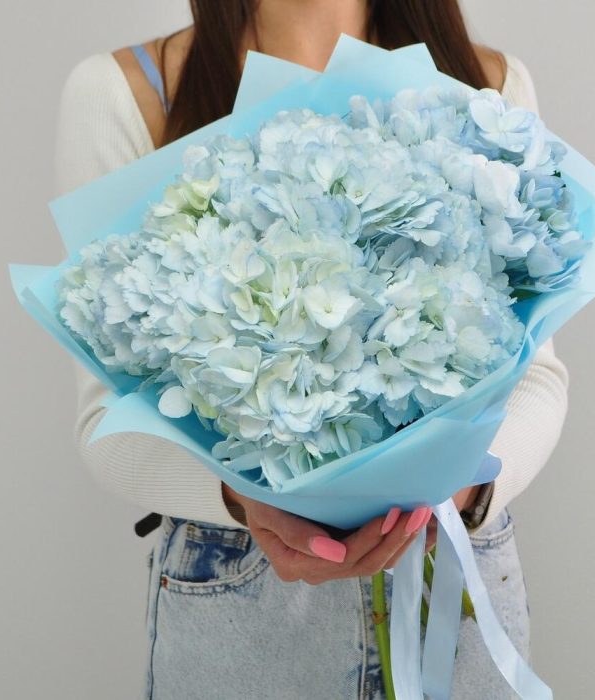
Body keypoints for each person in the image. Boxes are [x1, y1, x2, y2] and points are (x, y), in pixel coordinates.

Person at [54, 1, 569, 697]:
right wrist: (245, 500)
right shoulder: (129, 92)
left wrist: (465, 489)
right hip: (243, 595)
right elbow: (103, 423)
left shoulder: (488, 84)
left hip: (452, 565)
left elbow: (537, 376)